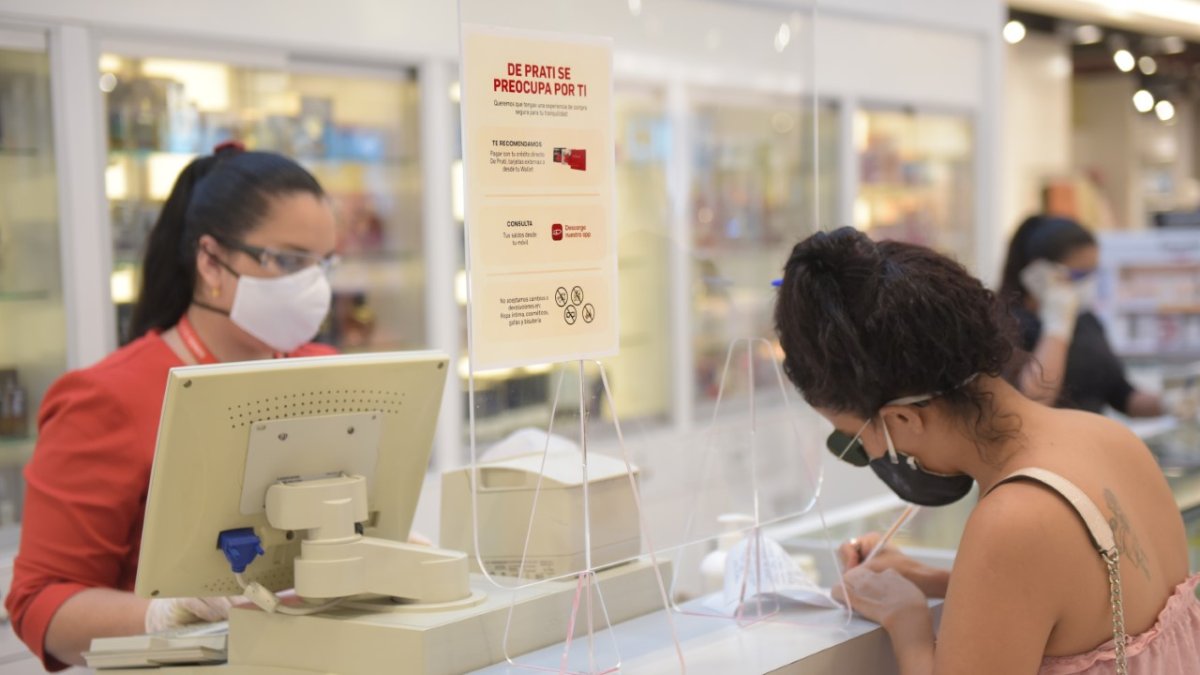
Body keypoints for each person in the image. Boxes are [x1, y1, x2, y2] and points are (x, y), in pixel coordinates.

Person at [774, 227, 1199, 674]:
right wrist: (930, 580)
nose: (865, 452)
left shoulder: (1015, 517)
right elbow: (1072, 604)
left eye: (854, 438)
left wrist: (906, 620)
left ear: (902, 419)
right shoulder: (1110, 438)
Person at [5, 144, 340, 670]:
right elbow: (39, 603)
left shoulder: (327, 372)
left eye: (323, 264)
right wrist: (158, 617)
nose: (314, 286)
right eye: (290, 261)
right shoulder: (106, 398)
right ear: (211, 261)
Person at [1000, 215, 1164, 417]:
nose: (1087, 283)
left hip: (1093, 435)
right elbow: (1034, 401)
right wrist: (1057, 327)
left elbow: (1122, 396)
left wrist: (1170, 402)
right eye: (1079, 275)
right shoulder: (1005, 324)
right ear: (1039, 272)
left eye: (1093, 273)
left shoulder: (1086, 322)